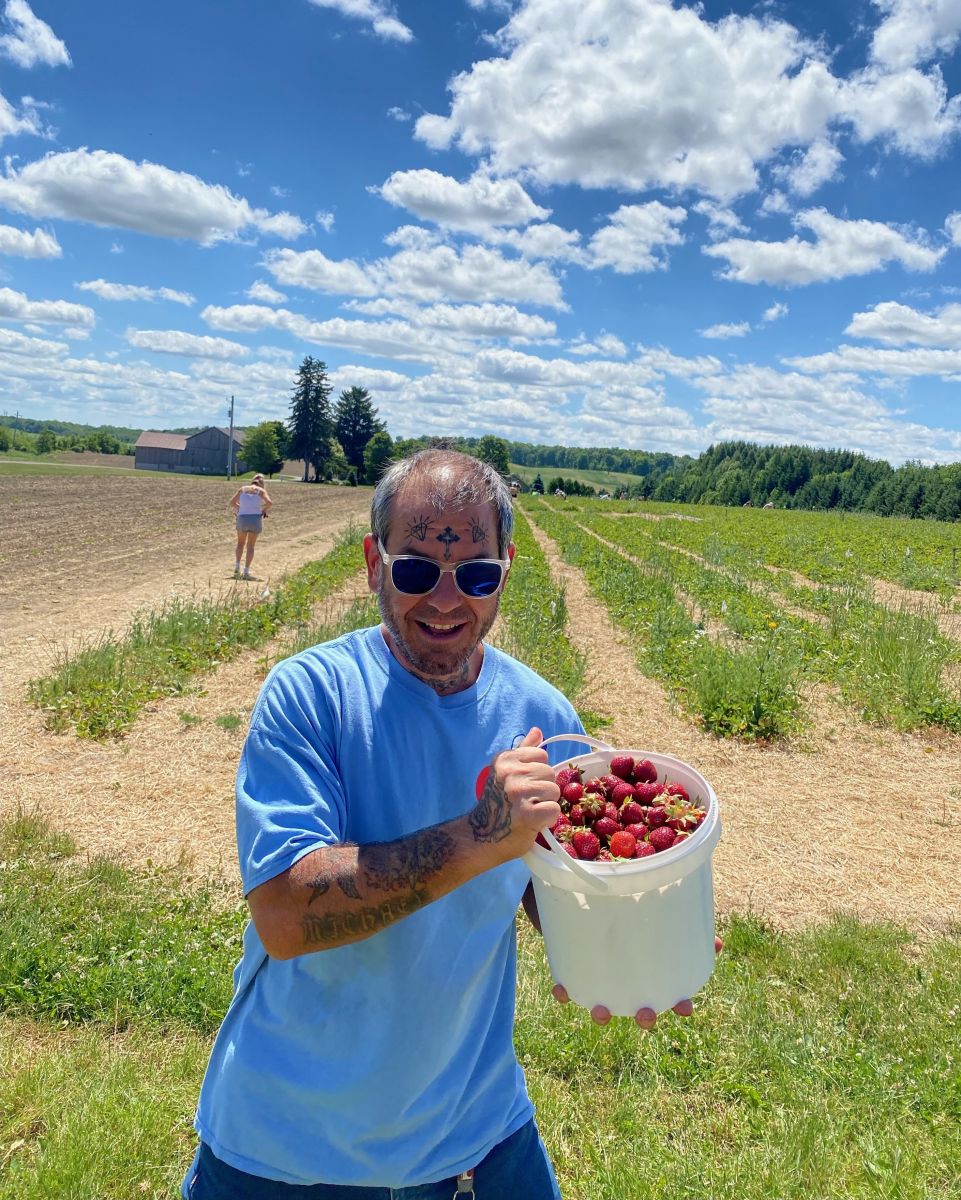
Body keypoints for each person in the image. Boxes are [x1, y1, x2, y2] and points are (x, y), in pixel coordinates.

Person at [184, 449, 705, 1200]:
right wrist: (477, 836)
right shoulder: (311, 695)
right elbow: (287, 916)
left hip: (475, 1132)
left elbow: (549, 886)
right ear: (373, 563)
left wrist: (640, 941)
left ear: (505, 568)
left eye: (477, 574)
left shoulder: (544, 718)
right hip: (291, 1147)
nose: (445, 599)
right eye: (417, 568)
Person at [230, 473, 272, 579]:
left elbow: (232, 502)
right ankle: (246, 571)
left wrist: (240, 508)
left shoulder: (243, 489)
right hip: (255, 519)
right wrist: (263, 510)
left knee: (240, 544)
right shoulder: (261, 491)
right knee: (250, 546)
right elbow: (269, 503)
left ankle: (237, 566)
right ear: (262, 484)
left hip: (242, 518)